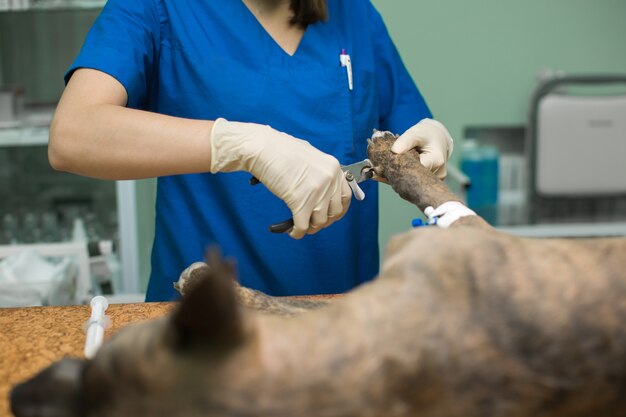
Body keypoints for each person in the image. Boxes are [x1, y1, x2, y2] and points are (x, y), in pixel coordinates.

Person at [49, 0, 454, 301]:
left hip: (341, 323)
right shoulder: (158, 7)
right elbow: (74, 134)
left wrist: (430, 138)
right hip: (204, 327)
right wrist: (242, 144)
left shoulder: (355, 15)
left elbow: (408, 136)